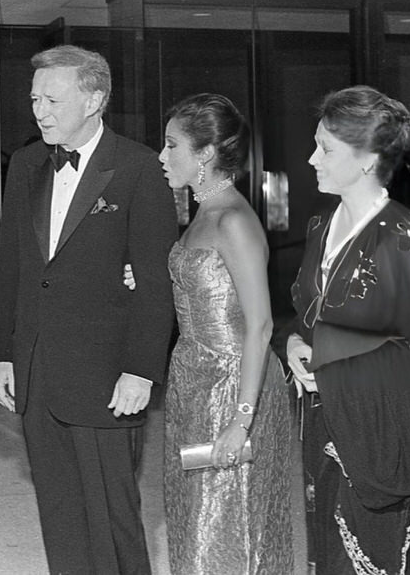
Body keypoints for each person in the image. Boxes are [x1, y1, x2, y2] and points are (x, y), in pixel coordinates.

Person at [0, 44, 177, 575]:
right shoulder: (26, 164)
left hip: (106, 374)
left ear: (94, 99)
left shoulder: (138, 168)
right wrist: (4, 352)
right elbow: (15, 266)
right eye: (34, 98)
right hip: (36, 368)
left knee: (113, 515)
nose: (39, 110)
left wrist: (141, 367)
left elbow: (154, 283)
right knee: (59, 512)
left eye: (52, 98)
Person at [284, 86, 410, 575]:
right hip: (326, 412)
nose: (312, 158)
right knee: (328, 544)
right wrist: (295, 342)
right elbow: (306, 313)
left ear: (367, 160)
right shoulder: (322, 225)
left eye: (326, 149)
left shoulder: (400, 237)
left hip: (380, 426)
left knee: (373, 550)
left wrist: (333, 359)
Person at [156, 93, 295, 574]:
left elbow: (260, 325)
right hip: (193, 383)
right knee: (197, 521)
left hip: (234, 387)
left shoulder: (233, 219)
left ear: (205, 154)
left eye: (171, 145)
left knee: (233, 526)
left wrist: (242, 418)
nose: (162, 155)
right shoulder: (204, 210)